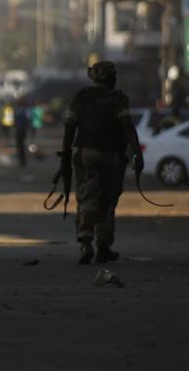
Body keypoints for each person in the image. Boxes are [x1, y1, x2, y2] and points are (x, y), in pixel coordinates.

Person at [60, 61, 143, 265]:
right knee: (106, 201)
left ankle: (85, 242)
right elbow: (127, 127)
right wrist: (137, 154)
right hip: (111, 156)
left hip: (86, 154)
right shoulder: (118, 99)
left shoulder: (81, 97)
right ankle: (103, 246)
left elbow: (70, 127)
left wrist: (65, 154)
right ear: (110, 77)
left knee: (86, 198)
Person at [13, 98, 31, 167]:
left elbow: (28, 120)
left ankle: (23, 161)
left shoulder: (24, 110)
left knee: (22, 145)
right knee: (19, 145)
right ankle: (21, 160)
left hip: (22, 130)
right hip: (19, 129)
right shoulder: (19, 110)